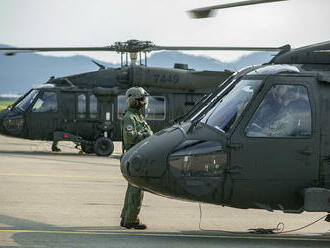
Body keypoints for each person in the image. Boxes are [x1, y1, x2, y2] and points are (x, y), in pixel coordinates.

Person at [120, 87, 153, 230]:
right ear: (133, 100)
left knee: (132, 188)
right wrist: (148, 137)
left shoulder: (138, 116)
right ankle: (131, 220)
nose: (143, 102)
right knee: (137, 190)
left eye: (144, 99)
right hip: (135, 156)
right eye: (140, 99)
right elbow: (130, 138)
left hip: (138, 155)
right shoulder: (130, 117)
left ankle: (125, 217)